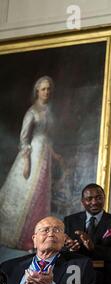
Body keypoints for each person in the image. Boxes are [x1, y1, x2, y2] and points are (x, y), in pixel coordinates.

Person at [0, 76, 63, 250]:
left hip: (45, 154)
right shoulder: (32, 111)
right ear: (37, 91)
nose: (46, 92)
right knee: (26, 194)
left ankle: (34, 239)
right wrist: (26, 160)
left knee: (41, 193)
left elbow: (47, 137)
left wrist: (54, 154)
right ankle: (21, 237)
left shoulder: (50, 111)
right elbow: (24, 138)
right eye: (43, 89)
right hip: (33, 154)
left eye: (49, 88)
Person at [0, 216, 97, 284]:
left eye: (57, 230)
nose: (51, 234)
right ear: (34, 240)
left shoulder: (80, 265)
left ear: (64, 239)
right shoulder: (8, 267)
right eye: (45, 230)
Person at [64, 183, 111, 284]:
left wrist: (94, 248)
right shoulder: (70, 221)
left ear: (104, 198)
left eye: (99, 198)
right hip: (74, 277)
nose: (94, 202)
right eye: (89, 199)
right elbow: (61, 251)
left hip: (104, 280)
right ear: (83, 201)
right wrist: (70, 248)